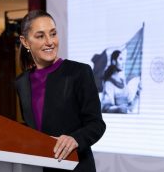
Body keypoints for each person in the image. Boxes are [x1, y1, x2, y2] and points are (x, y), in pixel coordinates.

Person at [15, 10, 106, 172]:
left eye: (53, 34)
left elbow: (96, 124)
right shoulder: (22, 82)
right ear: (25, 42)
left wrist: (75, 139)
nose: (49, 42)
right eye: (40, 36)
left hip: (76, 167)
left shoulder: (79, 72)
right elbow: (32, 127)